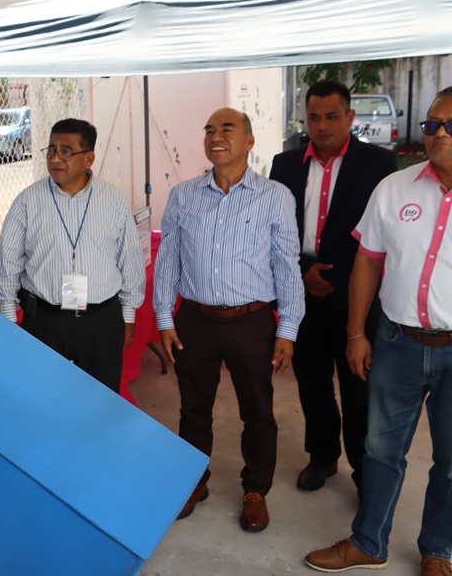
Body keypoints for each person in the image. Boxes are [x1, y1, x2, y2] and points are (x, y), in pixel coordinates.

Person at [305, 88, 452, 576]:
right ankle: (369, 541)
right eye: (432, 125)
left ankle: (438, 551)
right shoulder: (396, 187)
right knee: (380, 449)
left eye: (450, 125)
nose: (439, 134)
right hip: (397, 342)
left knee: (450, 460)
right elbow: (368, 260)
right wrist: (355, 333)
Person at [153, 107, 304, 533]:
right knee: (193, 409)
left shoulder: (274, 196)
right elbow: (169, 260)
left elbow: (286, 265)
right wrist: (165, 317)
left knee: (257, 410)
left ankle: (256, 490)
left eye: (227, 128)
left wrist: (287, 329)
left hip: (252, 321)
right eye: (209, 129)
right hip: (195, 320)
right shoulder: (184, 195)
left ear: (250, 142)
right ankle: (193, 482)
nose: (215, 135)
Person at [270, 80, 398, 494]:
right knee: (312, 383)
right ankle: (322, 457)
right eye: (313, 117)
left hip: (355, 297)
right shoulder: (285, 165)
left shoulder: (378, 164)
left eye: (330, 116)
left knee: (359, 388)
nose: (321, 125)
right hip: (302, 293)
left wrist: (334, 274)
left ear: (349, 117)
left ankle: (363, 471)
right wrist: (304, 272)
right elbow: (279, 230)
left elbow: (381, 231)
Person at [0, 117, 145, 393]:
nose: (55, 158)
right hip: (45, 322)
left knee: (101, 403)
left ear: (89, 158)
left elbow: (130, 261)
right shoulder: (27, 201)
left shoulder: (113, 201)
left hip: (101, 321)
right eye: (51, 150)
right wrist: (9, 321)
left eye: (66, 151)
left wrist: (128, 316)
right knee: (44, 401)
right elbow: (8, 264)